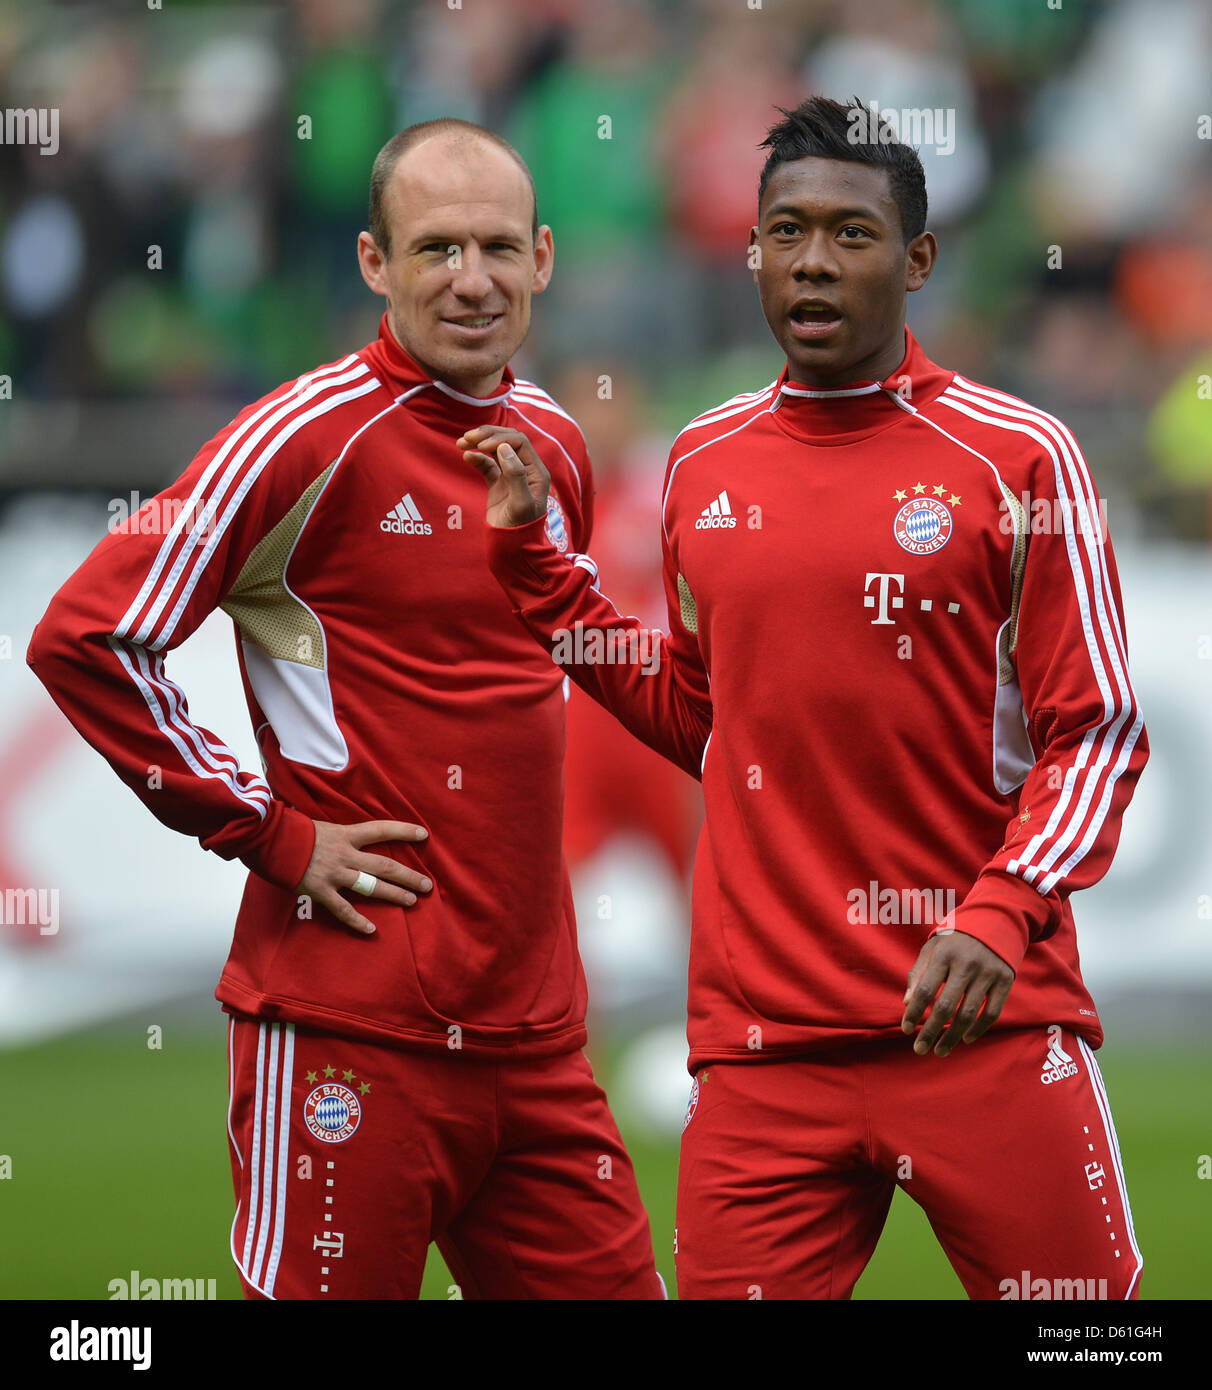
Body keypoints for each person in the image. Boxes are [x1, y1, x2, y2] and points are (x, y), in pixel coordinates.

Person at [461, 96, 1148, 1300]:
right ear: (754, 251)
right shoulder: (703, 459)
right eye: (786, 231)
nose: (813, 261)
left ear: (918, 259)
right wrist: (540, 577)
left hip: (981, 1023)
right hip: (765, 1046)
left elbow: (1095, 733)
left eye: (851, 233)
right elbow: (701, 715)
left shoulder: (1021, 459)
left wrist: (999, 913)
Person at [26, 118, 662, 1301]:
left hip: (536, 1042)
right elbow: (86, 635)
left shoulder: (560, 446)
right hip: (348, 1030)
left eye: (497, 247)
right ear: (375, 263)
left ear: (545, 257)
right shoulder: (298, 438)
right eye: (435, 250)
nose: (472, 280)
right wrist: (269, 832)